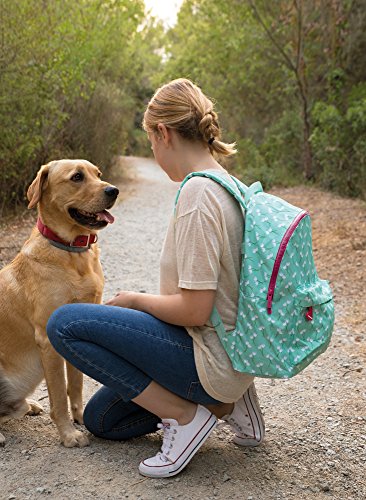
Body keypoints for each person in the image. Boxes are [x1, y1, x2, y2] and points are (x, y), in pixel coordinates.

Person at [47, 78, 265, 479]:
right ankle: (228, 403)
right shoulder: (230, 184)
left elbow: (196, 308)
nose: (153, 151)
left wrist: (136, 301)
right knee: (103, 420)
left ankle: (187, 416)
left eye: (150, 141)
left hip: (208, 357)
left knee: (65, 324)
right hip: (232, 352)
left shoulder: (199, 196)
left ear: (163, 133)